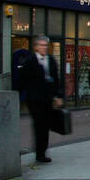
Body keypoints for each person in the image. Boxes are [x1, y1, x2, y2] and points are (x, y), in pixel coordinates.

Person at [18, 35, 61, 163]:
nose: (44, 48)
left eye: (46, 45)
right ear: (36, 47)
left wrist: (58, 96)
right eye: (41, 45)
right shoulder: (29, 61)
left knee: (46, 125)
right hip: (35, 99)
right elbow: (23, 80)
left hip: (47, 98)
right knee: (39, 124)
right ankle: (39, 153)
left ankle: (42, 151)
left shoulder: (51, 60)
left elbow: (56, 80)